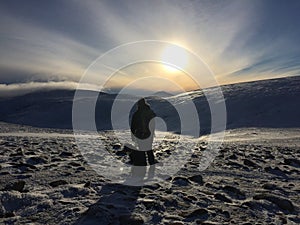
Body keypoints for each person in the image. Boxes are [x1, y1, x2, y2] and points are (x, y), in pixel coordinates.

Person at [130, 98, 156, 165]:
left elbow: (133, 126)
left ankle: (143, 164)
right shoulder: (149, 112)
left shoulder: (137, 114)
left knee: (142, 149)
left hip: (140, 134)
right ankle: (152, 163)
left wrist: (133, 136)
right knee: (149, 149)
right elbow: (153, 123)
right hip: (149, 134)